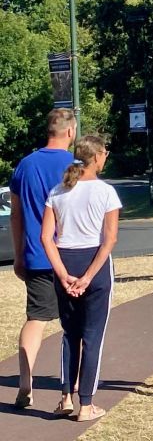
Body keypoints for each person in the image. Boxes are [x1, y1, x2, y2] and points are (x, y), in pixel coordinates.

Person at [40, 135, 121, 422]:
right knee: (93, 336)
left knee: (70, 334)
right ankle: (85, 404)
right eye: (105, 153)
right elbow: (109, 240)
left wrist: (63, 275)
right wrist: (87, 277)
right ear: (98, 156)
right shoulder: (106, 192)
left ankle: (65, 397)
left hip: (65, 260)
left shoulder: (57, 191)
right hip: (94, 265)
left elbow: (46, 237)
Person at [9, 108, 77, 409]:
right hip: (72, 255)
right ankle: (71, 388)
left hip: (36, 255)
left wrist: (19, 253)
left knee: (36, 318)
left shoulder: (25, 165)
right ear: (70, 132)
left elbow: (16, 213)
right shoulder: (76, 166)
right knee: (75, 323)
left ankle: (26, 380)